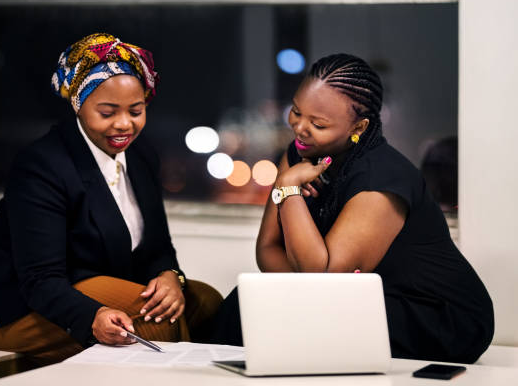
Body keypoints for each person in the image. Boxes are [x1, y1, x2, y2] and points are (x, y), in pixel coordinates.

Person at [0, 33, 222, 363]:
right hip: (4, 292)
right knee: (154, 322)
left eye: (136, 110)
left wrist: (171, 277)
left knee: (206, 302)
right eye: (107, 112)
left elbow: (158, 246)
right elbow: (39, 278)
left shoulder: (142, 156)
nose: (124, 124)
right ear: (78, 104)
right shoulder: (42, 165)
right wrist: (92, 316)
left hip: (77, 276)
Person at [209, 53, 494, 364]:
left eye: (318, 123)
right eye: (296, 111)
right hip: (364, 296)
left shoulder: (380, 178)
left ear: (359, 126)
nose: (300, 128)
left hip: (435, 315)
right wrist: (306, 282)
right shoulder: (299, 154)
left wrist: (288, 191)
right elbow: (267, 250)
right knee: (247, 306)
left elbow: (326, 281)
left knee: (263, 312)